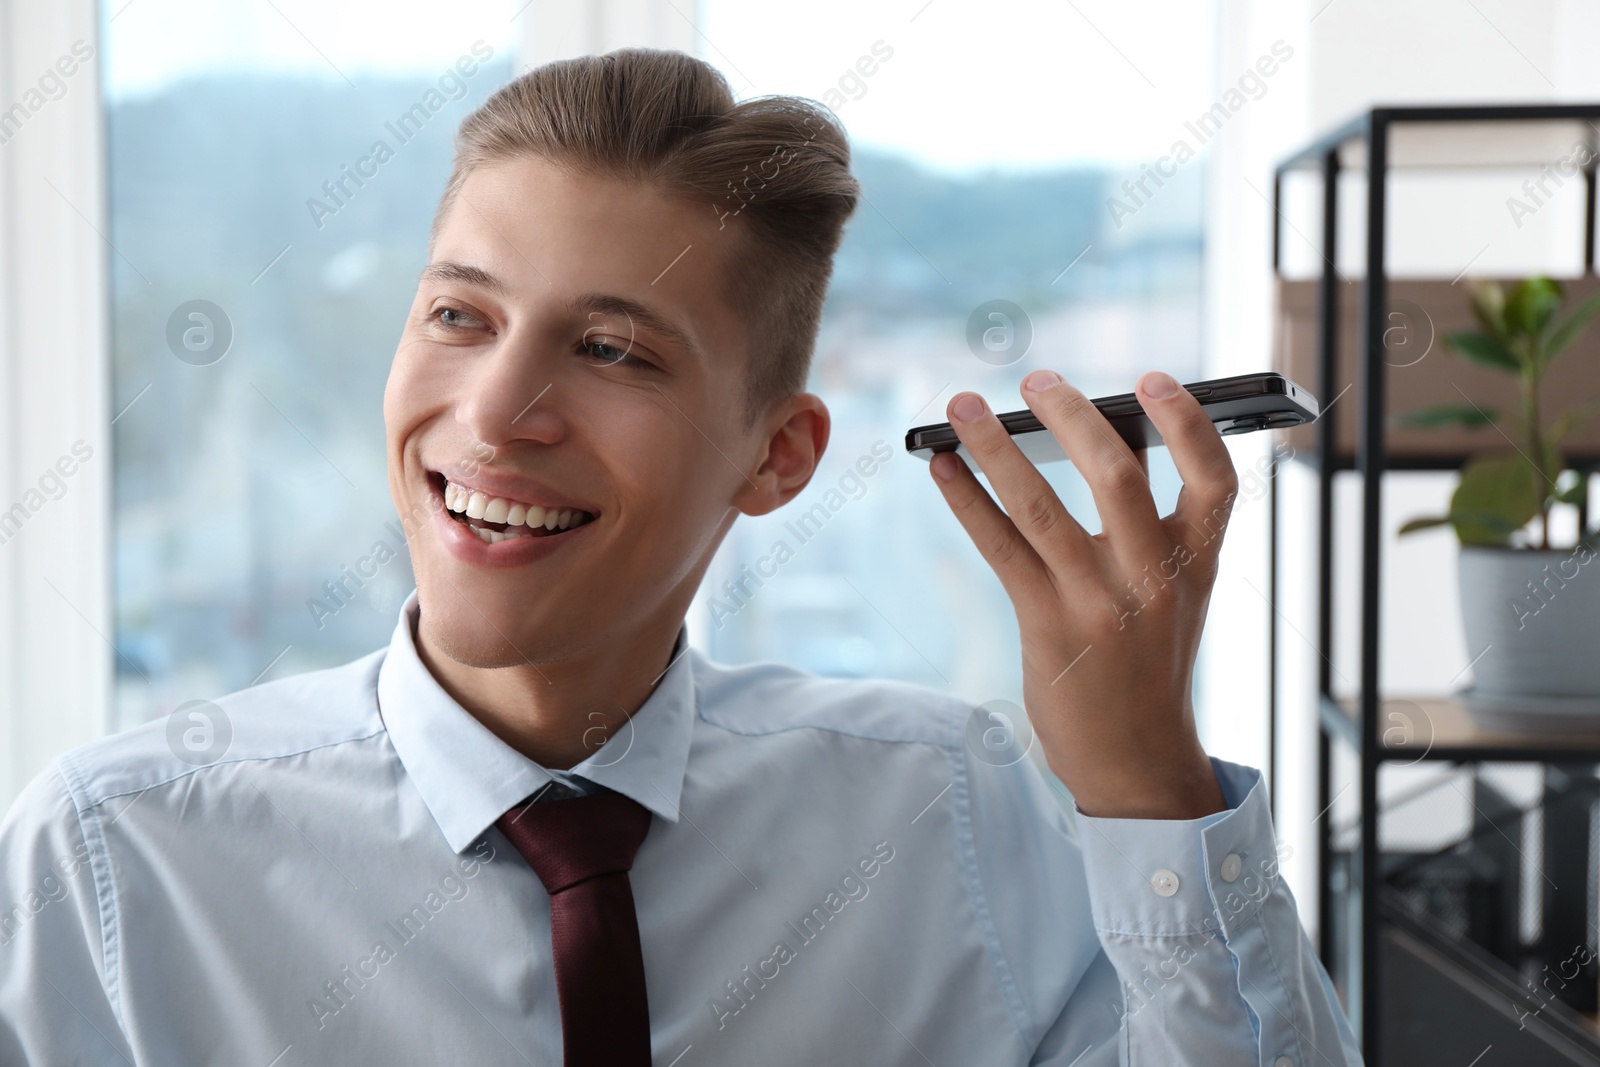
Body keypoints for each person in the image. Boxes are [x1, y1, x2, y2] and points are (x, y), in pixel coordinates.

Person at [0, 48, 1361, 1066]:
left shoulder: (955, 809)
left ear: (779, 458)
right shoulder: (119, 858)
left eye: (610, 351)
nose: (493, 416)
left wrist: (1146, 785)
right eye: (460, 315)